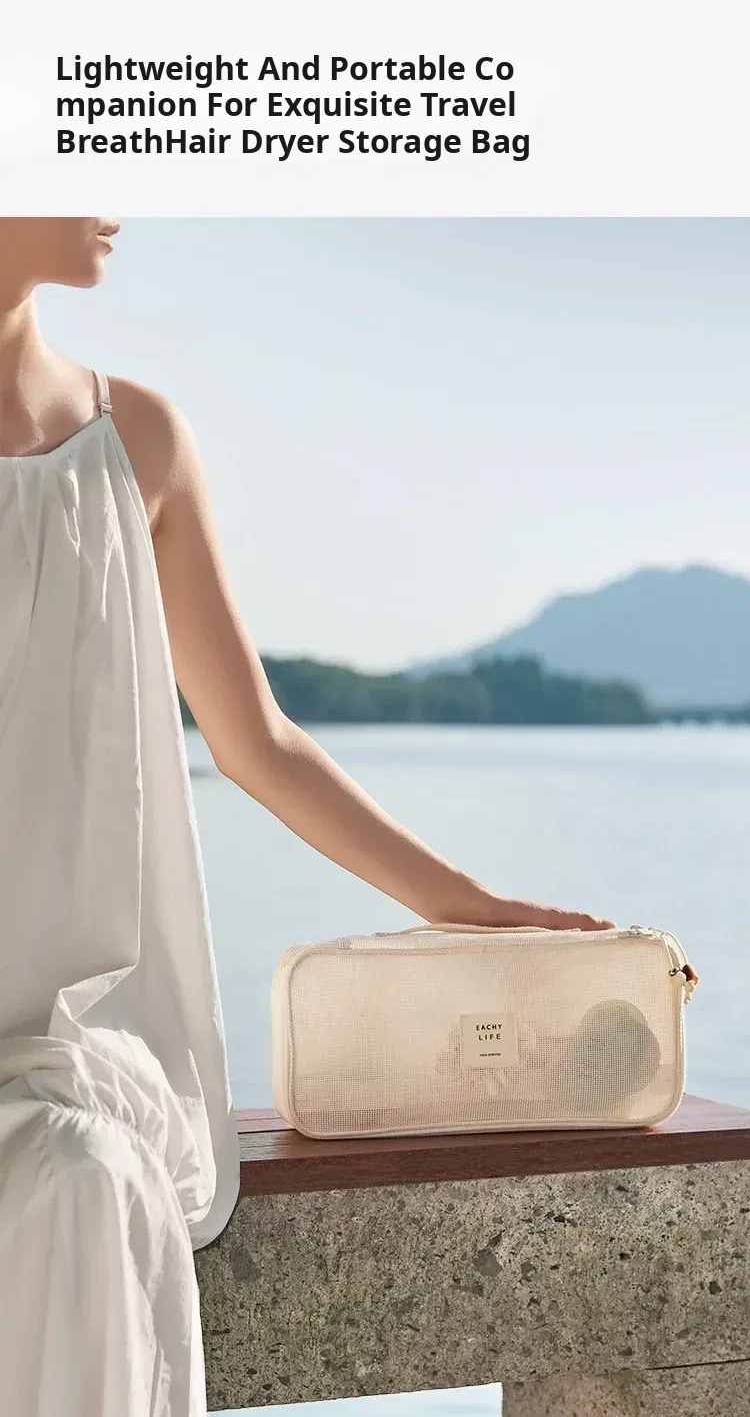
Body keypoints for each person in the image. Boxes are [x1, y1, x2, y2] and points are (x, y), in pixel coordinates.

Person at [0, 217, 613, 1417]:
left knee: (81, 1175)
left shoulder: (140, 439)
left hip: (58, 1034)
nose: (121, 192)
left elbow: (255, 741)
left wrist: (465, 906)